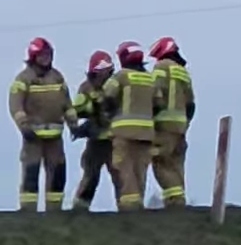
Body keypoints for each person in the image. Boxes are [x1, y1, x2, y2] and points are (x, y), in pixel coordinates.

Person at [8, 37, 77, 212]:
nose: (46, 58)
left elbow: (67, 104)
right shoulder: (23, 79)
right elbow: (16, 105)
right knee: (31, 173)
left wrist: (74, 124)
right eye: (42, 55)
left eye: (48, 55)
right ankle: (28, 211)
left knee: (58, 175)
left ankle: (54, 211)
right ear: (33, 56)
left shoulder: (57, 77)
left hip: (55, 138)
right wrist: (24, 126)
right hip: (33, 138)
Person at [102, 41, 156, 211]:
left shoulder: (121, 76)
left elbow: (108, 96)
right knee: (140, 169)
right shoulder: (150, 79)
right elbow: (159, 104)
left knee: (123, 166)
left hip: (123, 131)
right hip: (147, 133)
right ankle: (138, 202)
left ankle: (129, 206)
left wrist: (108, 113)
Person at [71, 50, 123, 210]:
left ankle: (126, 209)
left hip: (115, 139)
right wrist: (87, 119)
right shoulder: (86, 87)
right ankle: (80, 209)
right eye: (97, 73)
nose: (101, 77)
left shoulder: (117, 84)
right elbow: (78, 109)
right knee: (90, 175)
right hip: (96, 140)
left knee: (120, 176)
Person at [149, 36, 195, 208]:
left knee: (160, 162)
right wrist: (185, 123)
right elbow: (191, 104)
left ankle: (175, 201)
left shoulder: (161, 67)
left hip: (163, 125)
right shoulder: (183, 72)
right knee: (176, 165)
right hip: (181, 127)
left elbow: (155, 94)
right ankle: (177, 202)